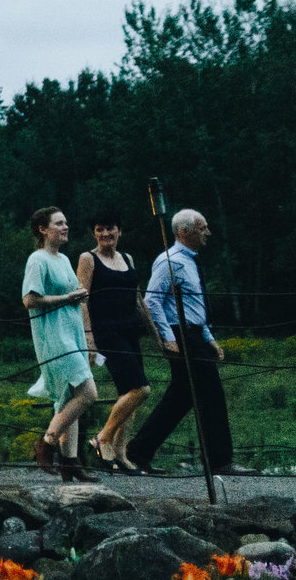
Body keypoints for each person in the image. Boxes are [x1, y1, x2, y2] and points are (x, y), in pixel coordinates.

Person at [125, 209, 243, 476]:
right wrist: (168, 338)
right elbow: (153, 300)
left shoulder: (190, 261)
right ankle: (220, 460)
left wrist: (209, 337)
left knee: (181, 397)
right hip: (180, 335)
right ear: (184, 231)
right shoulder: (170, 261)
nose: (208, 233)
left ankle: (138, 452)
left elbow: (194, 305)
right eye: (203, 228)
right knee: (210, 393)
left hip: (193, 333)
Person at [22, 206, 98, 481]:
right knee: (88, 393)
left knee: (70, 397)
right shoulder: (37, 260)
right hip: (53, 338)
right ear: (43, 229)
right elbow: (29, 300)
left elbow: (70, 295)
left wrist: (77, 297)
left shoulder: (64, 260)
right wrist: (68, 298)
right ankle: (47, 442)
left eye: (66, 222)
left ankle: (70, 463)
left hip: (71, 332)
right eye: (58, 223)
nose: (65, 227)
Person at [76, 215, 153, 472]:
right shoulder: (88, 259)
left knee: (128, 394)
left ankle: (121, 454)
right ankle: (103, 437)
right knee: (140, 389)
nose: (105, 233)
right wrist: (88, 336)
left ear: (119, 230)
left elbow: (138, 299)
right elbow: (82, 299)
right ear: (94, 233)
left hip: (130, 330)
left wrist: (157, 333)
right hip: (106, 332)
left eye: (110, 228)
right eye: (99, 229)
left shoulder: (127, 259)